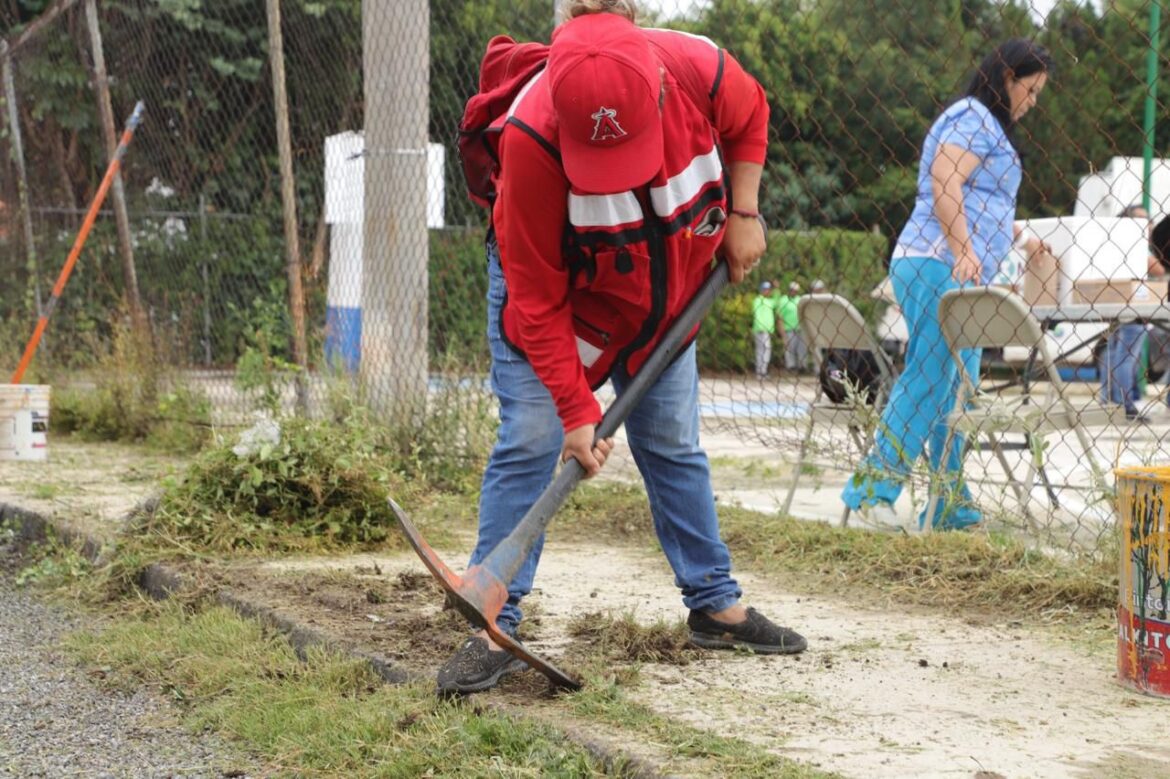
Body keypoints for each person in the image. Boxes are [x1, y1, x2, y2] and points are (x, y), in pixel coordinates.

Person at [438, 0, 807, 696]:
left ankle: (714, 605)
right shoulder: (530, 138)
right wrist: (577, 412)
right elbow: (537, 299)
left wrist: (745, 211)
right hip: (566, 299)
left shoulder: (696, 67)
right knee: (532, 436)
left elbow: (751, 113)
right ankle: (494, 615)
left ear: (659, 85)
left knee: (671, 439)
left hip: (666, 293)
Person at [841, 39, 1052, 531]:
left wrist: (1019, 236)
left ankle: (948, 500)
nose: (1033, 101)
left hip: (957, 268)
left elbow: (982, 199)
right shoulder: (975, 116)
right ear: (1008, 78)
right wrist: (963, 250)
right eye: (1032, 88)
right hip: (942, 263)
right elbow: (945, 179)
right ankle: (874, 489)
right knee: (933, 374)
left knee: (957, 385)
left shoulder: (982, 124)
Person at [1100, 204, 1157, 421]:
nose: (1149, 225)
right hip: (1136, 307)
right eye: (1144, 221)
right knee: (1126, 358)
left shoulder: (1116, 244)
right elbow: (1159, 268)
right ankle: (1125, 405)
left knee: (1113, 354)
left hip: (1120, 304)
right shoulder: (1136, 246)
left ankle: (1109, 400)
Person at [777, 281, 807, 372]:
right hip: (788, 329)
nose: (794, 292)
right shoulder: (783, 300)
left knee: (802, 348)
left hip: (800, 328)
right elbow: (780, 318)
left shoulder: (800, 299)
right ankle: (791, 367)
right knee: (790, 348)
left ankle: (802, 367)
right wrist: (782, 334)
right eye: (792, 290)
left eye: (795, 290)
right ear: (789, 290)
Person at [751, 281, 778, 379]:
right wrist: (760, 326)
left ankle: (762, 371)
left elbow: (776, 301)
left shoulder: (769, 302)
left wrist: (776, 289)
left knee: (764, 350)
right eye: (765, 289)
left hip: (767, 330)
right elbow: (757, 314)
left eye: (768, 289)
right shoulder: (758, 300)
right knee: (763, 350)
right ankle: (761, 371)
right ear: (761, 290)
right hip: (760, 329)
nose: (767, 291)